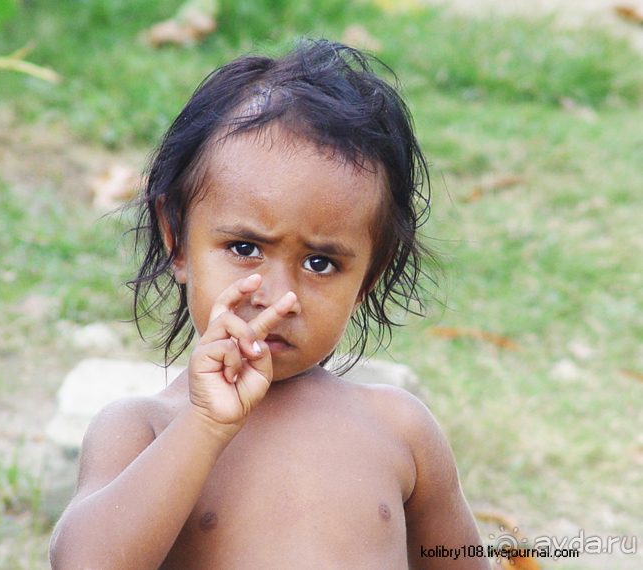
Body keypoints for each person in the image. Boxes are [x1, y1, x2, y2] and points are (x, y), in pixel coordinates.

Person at [50, 40, 490, 570]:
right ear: (178, 241)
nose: (279, 299)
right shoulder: (143, 430)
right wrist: (205, 425)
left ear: (368, 274)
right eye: (244, 248)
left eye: (322, 263)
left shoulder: (399, 428)